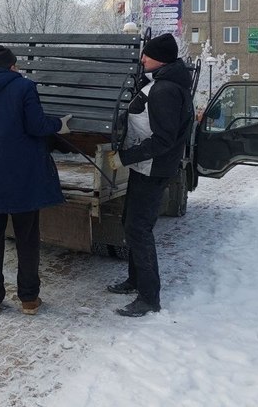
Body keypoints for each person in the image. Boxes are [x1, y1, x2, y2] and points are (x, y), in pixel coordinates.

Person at [0, 45, 73, 315]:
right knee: (27, 238)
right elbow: (35, 126)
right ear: (12, 66)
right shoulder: (24, 87)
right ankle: (28, 299)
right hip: (21, 176)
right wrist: (60, 125)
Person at [106, 32, 194, 317]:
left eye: (147, 54)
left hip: (152, 168)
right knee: (129, 223)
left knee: (139, 229)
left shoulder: (165, 90)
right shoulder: (158, 83)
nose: (141, 58)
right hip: (144, 167)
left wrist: (124, 157)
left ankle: (148, 297)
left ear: (161, 59)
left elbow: (163, 139)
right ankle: (135, 280)